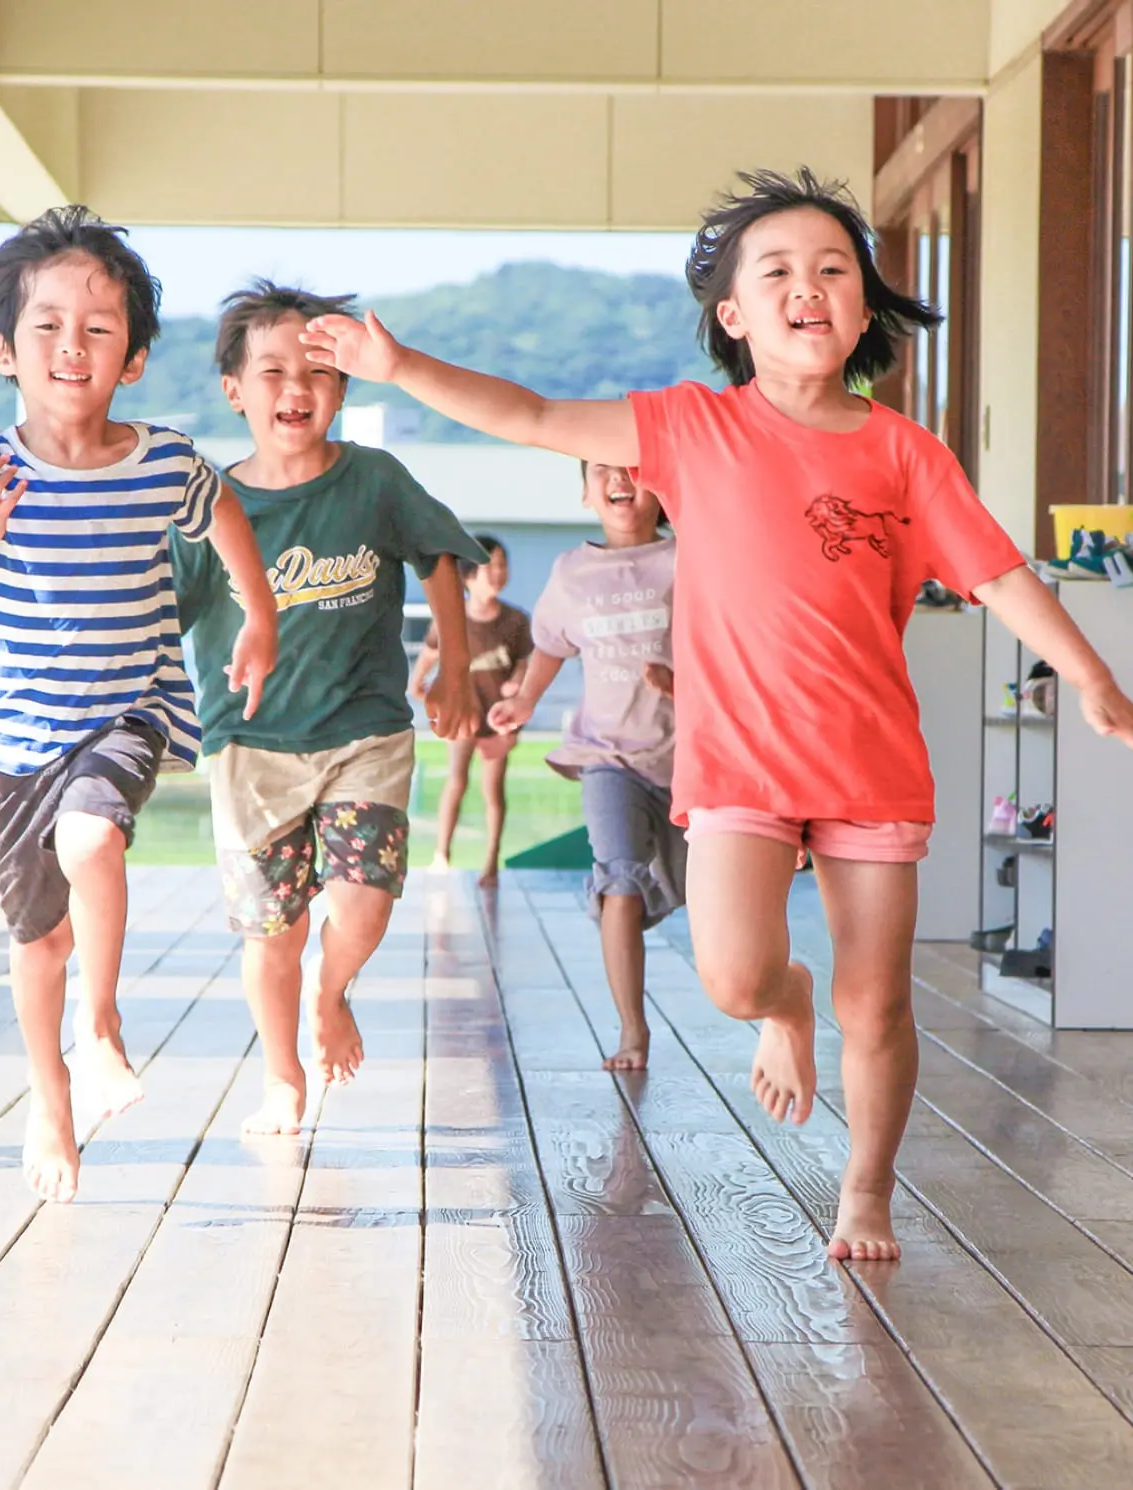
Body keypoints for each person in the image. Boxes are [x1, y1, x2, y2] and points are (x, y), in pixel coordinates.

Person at [298, 168, 1133, 1263]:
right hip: (738, 760)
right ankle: (788, 1010)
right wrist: (399, 366)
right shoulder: (690, 430)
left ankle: (866, 1192)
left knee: (875, 1003)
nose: (810, 286)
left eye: (835, 269)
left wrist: (1087, 671)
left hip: (870, 760)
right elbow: (538, 414)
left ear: (865, 307)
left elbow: (1002, 573)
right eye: (778, 270)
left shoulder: (903, 452)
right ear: (734, 316)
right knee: (735, 973)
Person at [0, 206, 278, 1206]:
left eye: (98, 326)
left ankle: (105, 1022)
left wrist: (260, 613)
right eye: (47, 325)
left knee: (93, 842)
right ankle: (49, 1096)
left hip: (128, 710)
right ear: (4, 347)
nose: (71, 344)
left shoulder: (163, 460)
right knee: (37, 943)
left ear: (132, 356)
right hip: (15, 741)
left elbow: (227, 511)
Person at [170, 281, 483, 1134]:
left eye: (314, 373)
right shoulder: (208, 507)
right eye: (270, 372)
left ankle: (332, 988)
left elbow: (442, 556)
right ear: (234, 390)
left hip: (365, 731)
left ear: (343, 388)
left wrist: (452, 664)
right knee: (274, 929)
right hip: (251, 742)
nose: (294, 390)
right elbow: (162, 612)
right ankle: (281, 1077)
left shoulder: (375, 481)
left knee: (365, 901)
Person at [489, 463, 684, 1070]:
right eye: (603, 468)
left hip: (692, 759)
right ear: (583, 490)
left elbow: (734, 645)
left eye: (637, 467)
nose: (621, 477)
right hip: (608, 756)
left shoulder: (691, 560)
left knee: (702, 897)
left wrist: (681, 683)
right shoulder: (573, 571)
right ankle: (633, 1032)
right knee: (620, 879)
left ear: (665, 488)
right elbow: (550, 643)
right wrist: (522, 700)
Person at [409, 534, 532, 886]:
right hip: (461, 713)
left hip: (499, 719)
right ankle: (441, 854)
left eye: (501, 566)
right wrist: (417, 680)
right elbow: (432, 651)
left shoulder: (515, 621)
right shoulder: (453, 618)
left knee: (494, 789)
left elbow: (525, 661)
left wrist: (517, 685)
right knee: (456, 780)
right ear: (467, 576)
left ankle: (491, 862)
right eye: (488, 567)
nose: (496, 574)